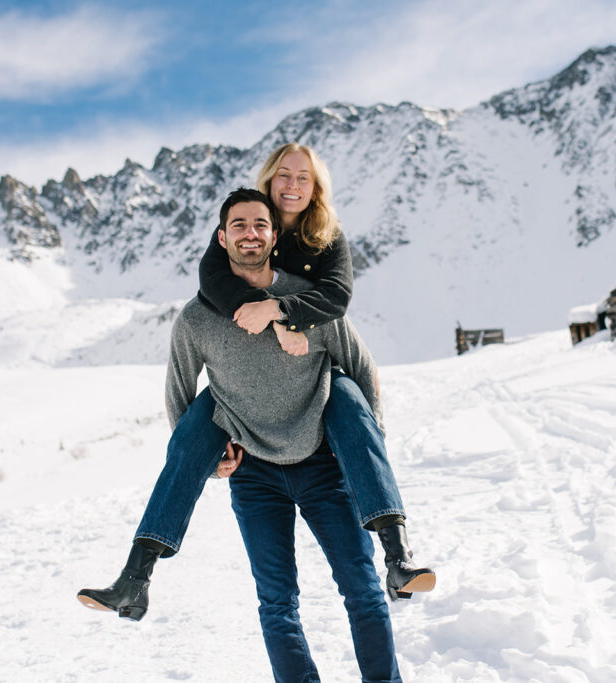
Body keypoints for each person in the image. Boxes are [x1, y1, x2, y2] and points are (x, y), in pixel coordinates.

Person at [77, 145, 433, 623]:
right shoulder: (247, 223)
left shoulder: (326, 235)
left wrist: (285, 315)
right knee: (190, 433)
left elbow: (338, 297)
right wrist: (260, 315)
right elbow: (211, 280)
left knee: (352, 405)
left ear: (316, 187)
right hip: (239, 378)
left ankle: (397, 555)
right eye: (283, 174)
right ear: (268, 182)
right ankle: (136, 578)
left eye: (303, 177)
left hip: (316, 372)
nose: (292, 184)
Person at [181, 188, 401, 680]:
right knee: (276, 603)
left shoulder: (306, 299)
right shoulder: (197, 316)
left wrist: (366, 447)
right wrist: (209, 458)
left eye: (259, 224)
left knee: (362, 589)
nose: (250, 233)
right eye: (238, 225)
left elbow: (360, 368)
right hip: (254, 475)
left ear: (273, 234)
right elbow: (179, 393)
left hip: (324, 464)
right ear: (222, 237)